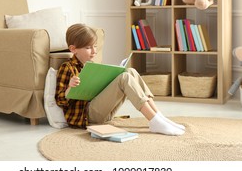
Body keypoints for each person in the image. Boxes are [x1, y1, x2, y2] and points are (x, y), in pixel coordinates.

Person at [55, 23, 185, 136]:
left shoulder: (92, 65)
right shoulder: (67, 68)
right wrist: (70, 88)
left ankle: (159, 117)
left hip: (102, 111)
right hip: (86, 116)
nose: (94, 51)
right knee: (124, 77)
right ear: (73, 49)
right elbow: (60, 100)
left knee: (130, 71)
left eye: (95, 46)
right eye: (88, 48)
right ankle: (155, 121)